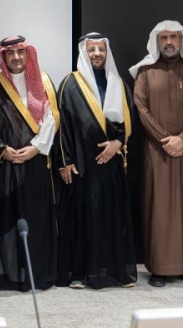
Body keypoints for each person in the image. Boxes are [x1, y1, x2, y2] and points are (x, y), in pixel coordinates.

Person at [130, 21, 183, 288]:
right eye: (164, 37)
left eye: (174, 37)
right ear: (157, 41)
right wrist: (165, 139)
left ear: (182, 40)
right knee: (160, 208)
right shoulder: (145, 72)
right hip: (159, 150)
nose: (169, 42)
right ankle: (160, 268)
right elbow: (141, 108)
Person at [0, 35, 59, 291]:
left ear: (27, 54)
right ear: (3, 57)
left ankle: (37, 275)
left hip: (36, 165)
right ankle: (7, 276)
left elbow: (52, 119)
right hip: (5, 167)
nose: (16, 57)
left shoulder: (43, 81)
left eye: (20, 52)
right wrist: (4, 151)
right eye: (10, 53)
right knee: (7, 219)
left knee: (35, 219)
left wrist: (36, 148)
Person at [57, 32, 137, 289]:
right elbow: (62, 125)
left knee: (110, 218)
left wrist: (117, 144)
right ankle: (79, 274)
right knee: (82, 220)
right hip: (82, 163)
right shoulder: (70, 83)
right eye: (91, 49)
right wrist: (65, 160)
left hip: (110, 162)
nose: (97, 54)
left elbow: (128, 119)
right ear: (84, 52)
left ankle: (114, 272)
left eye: (101, 49)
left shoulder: (118, 82)